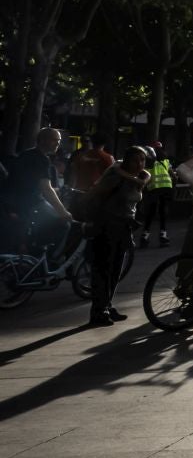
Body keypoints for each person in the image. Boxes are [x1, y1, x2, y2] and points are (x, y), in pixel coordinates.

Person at [83, 145, 148, 324]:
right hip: (107, 226)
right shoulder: (114, 177)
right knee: (103, 269)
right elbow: (95, 195)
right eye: (135, 160)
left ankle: (107, 305)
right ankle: (98, 311)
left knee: (115, 270)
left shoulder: (138, 177)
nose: (139, 164)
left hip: (123, 227)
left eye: (142, 160)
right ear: (126, 161)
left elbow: (146, 177)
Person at [3, 127, 73, 255]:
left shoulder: (25, 154)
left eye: (59, 140)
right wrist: (63, 212)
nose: (57, 143)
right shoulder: (42, 160)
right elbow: (46, 188)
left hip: (11, 203)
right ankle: (39, 253)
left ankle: (29, 246)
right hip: (31, 202)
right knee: (63, 224)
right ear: (42, 140)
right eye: (54, 140)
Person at [138, 146, 173, 248]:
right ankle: (163, 234)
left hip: (153, 189)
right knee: (163, 211)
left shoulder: (146, 164)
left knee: (151, 211)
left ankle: (145, 235)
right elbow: (173, 175)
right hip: (166, 187)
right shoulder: (165, 162)